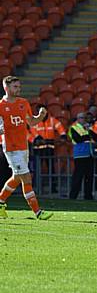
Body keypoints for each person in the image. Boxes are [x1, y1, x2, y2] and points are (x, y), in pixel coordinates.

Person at [0, 76, 53, 220]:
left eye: (19, 86)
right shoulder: (0, 106)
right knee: (27, 178)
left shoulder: (23, 103)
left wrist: (41, 116)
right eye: (15, 87)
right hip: (11, 148)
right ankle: (38, 212)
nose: (18, 89)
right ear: (7, 88)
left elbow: (32, 122)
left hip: (23, 146)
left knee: (17, 178)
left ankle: (0, 202)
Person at [30, 104, 66, 193]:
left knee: (51, 168)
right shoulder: (34, 120)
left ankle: (53, 187)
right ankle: (36, 188)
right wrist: (38, 138)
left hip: (49, 148)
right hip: (38, 149)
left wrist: (63, 136)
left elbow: (60, 128)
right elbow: (32, 131)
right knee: (38, 168)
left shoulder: (53, 120)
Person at [68, 111, 97, 200]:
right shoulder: (73, 128)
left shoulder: (87, 129)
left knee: (89, 177)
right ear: (78, 119)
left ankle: (88, 196)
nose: (85, 120)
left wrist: (88, 133)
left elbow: (96, 137)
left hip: (89, 155)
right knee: (78, 177)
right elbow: (78, 139)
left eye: (85, 118)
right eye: (83, 118)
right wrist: (88, 136)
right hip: (80, 155)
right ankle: (73, 196)